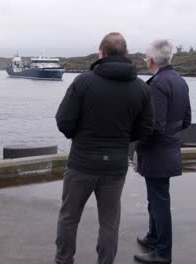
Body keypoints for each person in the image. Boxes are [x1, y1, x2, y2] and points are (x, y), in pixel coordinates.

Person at [55, 32, 154, 264]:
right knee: (109, 222)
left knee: (69, 218)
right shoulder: (141, 88)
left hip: (82, 163)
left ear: (102, 53)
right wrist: (123, 141)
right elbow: (147, 127)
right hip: (116, 165)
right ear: (126, 54)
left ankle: (64, 260)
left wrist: (78, 137)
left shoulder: (83, 82)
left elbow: (64, 121)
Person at [134, 39, 191, 264]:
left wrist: (137, 141)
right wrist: (170, 137)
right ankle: (153, 237)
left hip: (156, 151)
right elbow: (187, 120)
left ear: (151, 60)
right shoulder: (180, 81)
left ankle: (162, 253)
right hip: (170, 147)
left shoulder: (157, 84)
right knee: (156, 197)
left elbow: (154, 125)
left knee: (159, 201)